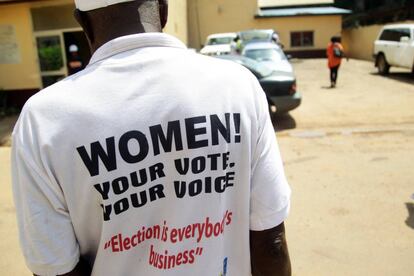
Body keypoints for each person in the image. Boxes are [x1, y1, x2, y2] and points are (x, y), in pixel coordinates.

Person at [11, 0, 291, 275]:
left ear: (83, 24)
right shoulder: (238, 87)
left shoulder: (43, 120)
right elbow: (271, 243)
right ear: (164, 9)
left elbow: (56, 268)